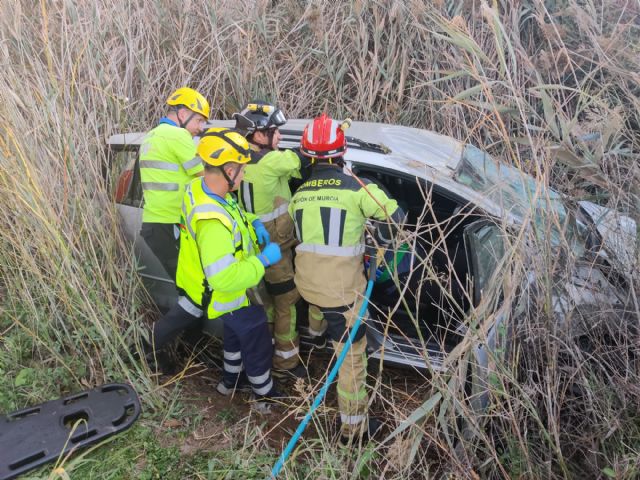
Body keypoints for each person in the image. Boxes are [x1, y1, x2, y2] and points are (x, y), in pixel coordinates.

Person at [289, 113, 406, 442]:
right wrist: (379, 241)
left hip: (307, 286)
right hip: (341, 293)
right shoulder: (357, 189)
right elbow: (395, 217)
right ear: (342, 153)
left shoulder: (299, 195)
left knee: (320, 309)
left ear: (308, 155)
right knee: (353, 359)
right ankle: (353, 431)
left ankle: (316, 338)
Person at [150, 127, 282, 400]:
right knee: (257, 340)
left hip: (201, 283)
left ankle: (228, 384)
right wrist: (262, 261)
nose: (244, 175)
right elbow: (223, 277)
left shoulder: (200, 187)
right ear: (229, 169)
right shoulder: (212, 223)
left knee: (233, 338)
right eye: (242, 170)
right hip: (221, 292)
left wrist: (251, 220)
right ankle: (265, 397)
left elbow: (229, 206)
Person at [234, 101, 311, 379]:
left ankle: (261, 357)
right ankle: (286, 363)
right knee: (287, 304)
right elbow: (302, 158)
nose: (279, 136)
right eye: (274, 131)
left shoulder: (237, 160)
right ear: (257, 135)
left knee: (262, 305)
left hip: (251, 249)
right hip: (276, 250)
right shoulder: (273, 161)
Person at [139, 87, 210, 280]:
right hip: (171, 223)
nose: (201, 128)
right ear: (183, 113)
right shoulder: (178, 136)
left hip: (155, 223)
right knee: (193, 286)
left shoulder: (151, 136)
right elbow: (206, 177)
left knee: (185, 285)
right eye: (199, 120)